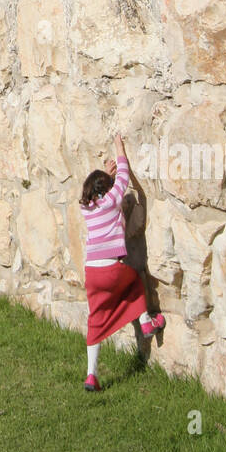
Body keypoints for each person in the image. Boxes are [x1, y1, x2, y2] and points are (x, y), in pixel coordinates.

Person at [79, 132, 164, 392]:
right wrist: (119, 148)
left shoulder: (86, 208)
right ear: (107, 189)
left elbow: (106, 189)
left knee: (95, 319)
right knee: (135, 283)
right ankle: (147, 321)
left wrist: (105, 175)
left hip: (92, 273)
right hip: (112, 267)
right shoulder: (113, 201)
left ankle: (91, 376)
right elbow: (124, 177)